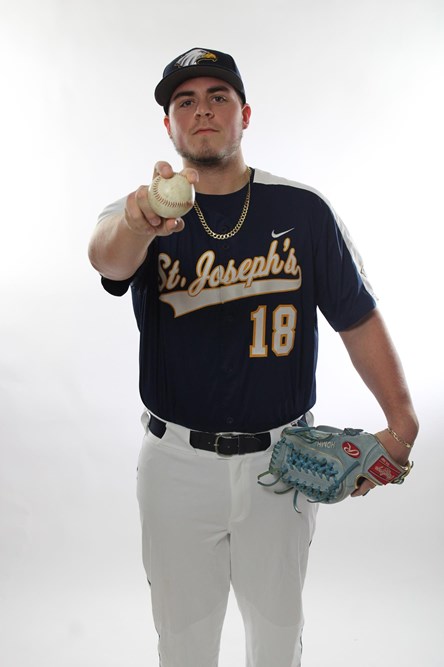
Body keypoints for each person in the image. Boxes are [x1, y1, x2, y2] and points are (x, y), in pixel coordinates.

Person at [88, 47, 418, 667]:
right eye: (184, 101)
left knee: (276, 639)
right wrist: (140, 220)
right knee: (183, 644)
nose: (202, 110)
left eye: (218, 97)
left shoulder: (303, 210)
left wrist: (403, 420)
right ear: (169, 125)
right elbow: (107, 257)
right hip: (175, 463)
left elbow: (357, 316)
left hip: (282, 463)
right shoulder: (141, 212)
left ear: (245, 114)